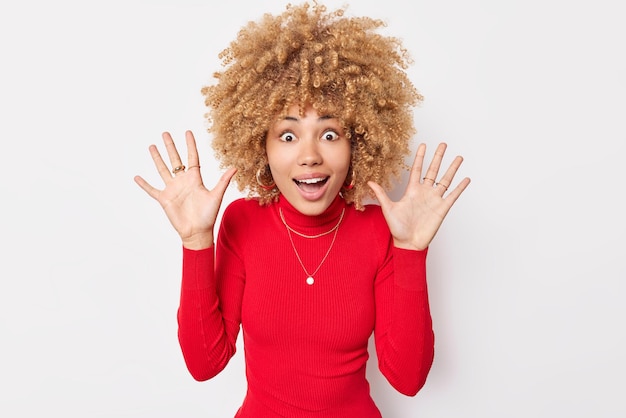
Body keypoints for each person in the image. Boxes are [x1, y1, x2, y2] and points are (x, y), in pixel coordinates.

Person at [134, 2, 470, 417]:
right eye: (288, 135)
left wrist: (412, 250)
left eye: (329, 133)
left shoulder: (381, 231)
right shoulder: (243, 221)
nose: (309, 155)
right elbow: (205, 364)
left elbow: (408, 379)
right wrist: (196, 242)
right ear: (262, 145)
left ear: (357, 144)